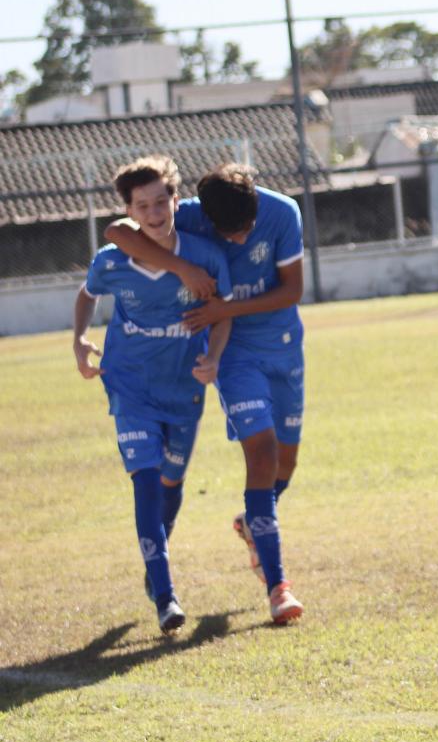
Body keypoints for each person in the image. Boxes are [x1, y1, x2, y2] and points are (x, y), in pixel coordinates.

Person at [104, 162, 306, 624]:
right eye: (227, 233)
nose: (237, 240)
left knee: (285, 464)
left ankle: (254, 523)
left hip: (284, 349)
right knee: (261, 451)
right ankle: (278, 587)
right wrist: (180, 267)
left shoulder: (284, 213)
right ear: (207, 219)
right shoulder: (191, 214)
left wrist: (226, 305)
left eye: (246, 230)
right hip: (232, 353)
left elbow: (293, 290)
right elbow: (118, 230)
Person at [73, 155, 232, 634]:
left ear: (175, 201)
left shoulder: (205, 256)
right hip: (129, 384)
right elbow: (86, 294)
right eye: (143, 205)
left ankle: (155, 557)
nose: (154, 211)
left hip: (183, 387)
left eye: (161, 201)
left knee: (170, 483)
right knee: (144, 478)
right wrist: (79, 338)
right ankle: (165, 595)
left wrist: (214, 358)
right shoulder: (112, 262)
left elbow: (222, 311)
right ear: (131, 211)